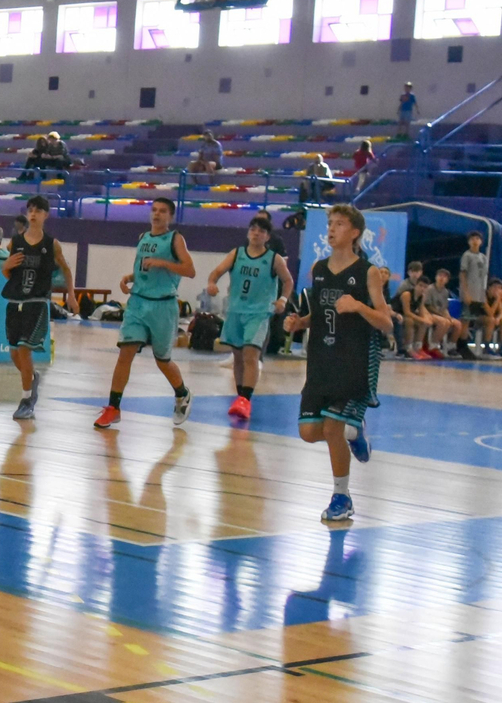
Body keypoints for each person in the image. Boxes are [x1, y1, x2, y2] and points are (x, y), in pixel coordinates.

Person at [283, 204, 392, 522]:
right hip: (320, 361)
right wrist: (300, 323)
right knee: (308, 431)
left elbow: (386, 322)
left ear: (355, 232)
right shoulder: (318, 268)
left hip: (352, 362)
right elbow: (319, 313)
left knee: (332, 428)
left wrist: (358, 306)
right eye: (330, 223)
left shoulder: (367, 272)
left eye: (340, 224)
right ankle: (354, 434)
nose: (331, 229)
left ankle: (341, 496)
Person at [95, 198, 196, 429]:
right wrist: (128, 278)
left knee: (162, 360)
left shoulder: (175, 239)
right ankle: (113, 407)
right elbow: (142, 267)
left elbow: (190, 270)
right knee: (125, 353)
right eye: (154, 210)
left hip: (163, 305)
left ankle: (182, 393)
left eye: (162, 211)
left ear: (170, 217)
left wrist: (163, 263)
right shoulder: (143, 237)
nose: (157, 214)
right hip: (138, 302)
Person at [205, 214, 294, 421]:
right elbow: (216, 272)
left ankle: (246, 399)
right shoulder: (236, 254)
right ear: (248, 232)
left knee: (250, 354)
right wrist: (212, 283)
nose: (256, 233)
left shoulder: (274, 259)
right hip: (236, 310)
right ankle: (240, 397)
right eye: (253, 229)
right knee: (237, 356)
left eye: (261, 231)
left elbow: (288, 281)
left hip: (259, 312)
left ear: (267, 237)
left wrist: (282, 300)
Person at [2, 196, 77, 421]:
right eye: (30, 210)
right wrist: (5, 266)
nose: (33, 213)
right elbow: (8, 274)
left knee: (24, 348)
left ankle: (27, 400)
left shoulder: (51, 244)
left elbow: (66, 268)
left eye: (38, 210)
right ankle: (32, 378)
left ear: (46, 215)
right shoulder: (14, 242)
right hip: (15, 302)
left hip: (37, 302)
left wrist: (71, 294)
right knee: (15, 353)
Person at [426, 267, 470, 359]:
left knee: (457, 323)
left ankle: (451, 347)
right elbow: (428, 306)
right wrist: (442, 315)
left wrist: (448, 316)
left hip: (440, 314)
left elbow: (444, 307)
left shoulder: (445, 292)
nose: (441, 278)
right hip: (429, 313)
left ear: (447, 280)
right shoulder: (430, 289)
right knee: (444, 322)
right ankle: (433, 345)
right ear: (436, 277)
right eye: (440, 275)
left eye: (444, 276)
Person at [460, 230, 492, 353]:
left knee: (479, 320)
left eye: (477, 239)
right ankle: (462, 346)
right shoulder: (467, 255)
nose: (475, 241)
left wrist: (483, 295)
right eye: (472, 239)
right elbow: (462, 274)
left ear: (481, 242)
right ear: (469, 242)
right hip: (469, 294)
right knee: (466, 319)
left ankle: (485, 346)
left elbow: (483, 277)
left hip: (479, 295)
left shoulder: (483, 258)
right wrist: (466, 293)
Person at [392, 261, 431, 360]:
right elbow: (407, 312)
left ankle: (418, 347)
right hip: (396, 313)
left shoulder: (422, 297)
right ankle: (408, 348)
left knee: (424, 323)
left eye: (425, 287)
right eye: (420, 286)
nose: (422, 288)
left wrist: (425, 319)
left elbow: (421, 310)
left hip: (406, 314)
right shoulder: (407, 294)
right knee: (410, 321)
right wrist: (422, 319)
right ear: (416, 285)